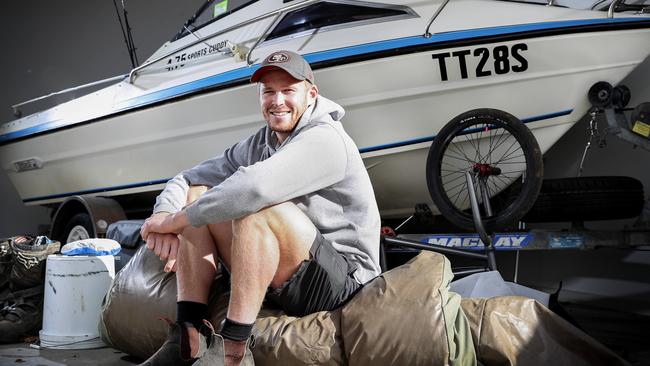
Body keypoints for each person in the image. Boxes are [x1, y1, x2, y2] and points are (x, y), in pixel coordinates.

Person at [138, 50, 381, 366]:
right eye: (268, 92)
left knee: (258, 208)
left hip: (344, 283)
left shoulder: (326, 138)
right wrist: (161, 215)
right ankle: (188, 336)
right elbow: (190, 177)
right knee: (199, 195)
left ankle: (234, 350)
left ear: (311, 94)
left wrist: (176, 222)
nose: (277, 100)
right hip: (292, 270)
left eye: (288, 90)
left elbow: (255, 188)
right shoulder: (261, 142)